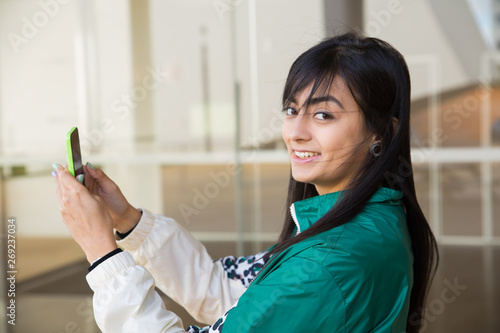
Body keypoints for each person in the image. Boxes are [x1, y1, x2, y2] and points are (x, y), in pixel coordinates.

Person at [52, 32, 438, 332]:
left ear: (381, 134)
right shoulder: (357, 224)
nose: (295, 132)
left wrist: (102, 253)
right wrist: (127, 222)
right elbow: (228, 293)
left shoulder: (329, 261)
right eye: (292, 110)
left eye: (323, 115)